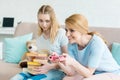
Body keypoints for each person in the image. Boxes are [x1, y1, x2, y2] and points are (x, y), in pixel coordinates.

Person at [10, 5, 68, 80]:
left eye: (47, 21)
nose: (44, 24)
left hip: (56, 71)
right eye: (41, 21)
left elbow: (67, 59)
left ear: (52, 20)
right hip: (40, 69)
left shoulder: (61, 33)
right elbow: (42, 57)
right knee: (15, 78)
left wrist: (50, 66)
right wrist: (32, 60)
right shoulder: (39, 36)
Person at [58, 14, 120, 80]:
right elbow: (72, 73)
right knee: (66, 79)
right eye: (66, 30)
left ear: (82, 30)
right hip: (94, 73)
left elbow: (89, 73)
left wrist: (73, 62)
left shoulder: (96, 42)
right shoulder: (72, 44)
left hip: (111, 73)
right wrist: (59, 61)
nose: (67, 34)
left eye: (72, 30)